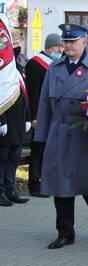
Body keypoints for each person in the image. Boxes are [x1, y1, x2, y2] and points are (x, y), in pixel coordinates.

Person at [34, 23, 88, 249]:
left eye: (72, 41)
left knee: (86, 181)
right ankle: (65, 232)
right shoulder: (54, 68)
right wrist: (41, 136)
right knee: (60, 184)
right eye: (65, 42)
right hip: (58, 130)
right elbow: (45, 103)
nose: (67, 46)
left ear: (84, 42)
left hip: (85, 132)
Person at [25, 33, 64, 197]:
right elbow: (32, 93)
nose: (60, 50)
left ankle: (47, 181)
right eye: (57, 47)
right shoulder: (35, 64)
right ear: (49, 47)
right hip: (40, 114)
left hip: (54, 114)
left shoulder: (57, 64)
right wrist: (34, 116)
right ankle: (35, 184)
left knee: (51, 149)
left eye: (61, 47)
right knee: (38, 149)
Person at [0, 77, 31, 207]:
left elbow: (24, 96)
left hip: (18, 126)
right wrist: (1, 120)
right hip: (6, 127)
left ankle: (10, 190)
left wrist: (28, 117)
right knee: (1, 162)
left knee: (13, 161)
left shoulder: (15, 72)